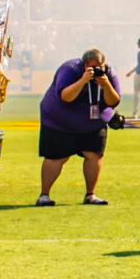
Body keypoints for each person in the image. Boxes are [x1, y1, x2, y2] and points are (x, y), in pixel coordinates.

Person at [39, 49, 118, 204]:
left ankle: (90, 195)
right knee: (56, 157)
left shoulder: (108, 73)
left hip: (93, 122)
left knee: (94, 155)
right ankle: (44, 195)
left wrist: (106, 84)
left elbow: (113, 101)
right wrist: (83, 80)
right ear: (84, 64)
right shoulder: (69, 70)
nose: (95, 70)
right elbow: (65, 97)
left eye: (99, 67)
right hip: (59, 122)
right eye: (92, 67)